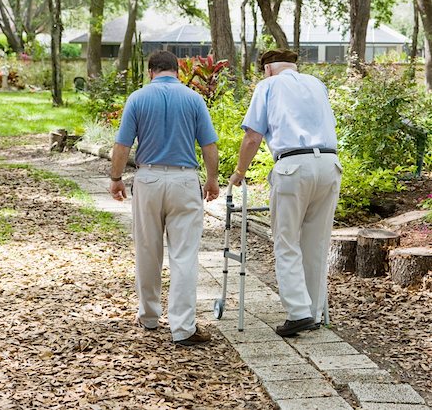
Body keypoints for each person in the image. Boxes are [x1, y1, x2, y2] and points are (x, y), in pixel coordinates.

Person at [109, 50, 219, 346]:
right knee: (184, 255)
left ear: (150, 72)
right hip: (184, 180)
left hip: (148, 178)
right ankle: (183, 328)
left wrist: (116, 178)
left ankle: (149, 316)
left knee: (148, 249)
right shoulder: (194, 99)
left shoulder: (138, 98)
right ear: (177, 72)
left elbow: (122, 144)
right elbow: (209, 144)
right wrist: (212, 179)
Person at [229, 48, 342, 337]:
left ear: (267, 69)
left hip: (293, 166)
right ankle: (314, 312)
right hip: (329, 164)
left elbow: (253, 135)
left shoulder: (267, 86)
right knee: (316, 242)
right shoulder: (317, 84)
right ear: (293, 66)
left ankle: (298, 312)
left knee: (286, 240)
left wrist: (240, 172)